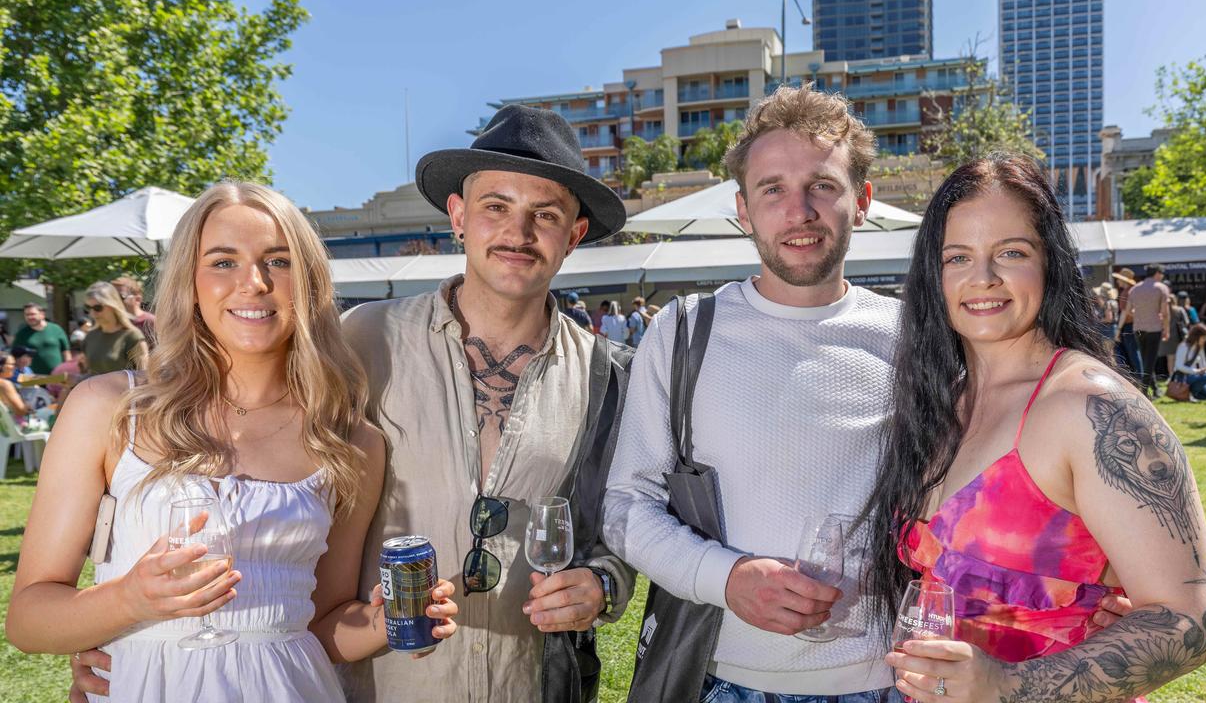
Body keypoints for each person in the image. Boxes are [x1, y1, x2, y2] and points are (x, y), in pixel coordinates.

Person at [33, 181, 459, 703]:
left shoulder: (349, 441)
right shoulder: (109, 409)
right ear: (189, 281)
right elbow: (31, 621)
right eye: (223, 262)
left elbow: (320, 626)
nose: (253, 283)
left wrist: (383, 621)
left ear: (308, 283)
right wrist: (129, 600)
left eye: (278, 262)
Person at [866, 153, 1206, 702]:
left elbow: (1190, 623)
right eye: (957, 257)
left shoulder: (1089, 407)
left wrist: (1008, 685)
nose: (982, 278)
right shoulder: (942, 404)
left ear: (1049, 263)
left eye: (1010, 252)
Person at [604, 83, 906, 702]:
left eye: (822, 184)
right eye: (773, 189)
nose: (799, 211)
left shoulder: (912, 339)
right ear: (743, 210)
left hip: (882, 683)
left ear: (863, 199)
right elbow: (625, 505)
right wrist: (728, 576)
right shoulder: (685, 331)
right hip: (720, 679)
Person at [338, 104, 636, 702]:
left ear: (574, 236)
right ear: (458, 216)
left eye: (545, 215)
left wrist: (605, 585)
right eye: (496, 206)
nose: (518, 233)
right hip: (386, 685)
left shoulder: (612, 376)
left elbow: (628, 523)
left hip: (530, 685)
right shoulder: (361, 341)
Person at [1118, 264, 1170, 398]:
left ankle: (1154, 389)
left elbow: (1128, 310)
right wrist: (1167, 328)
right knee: (1149, 361)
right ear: (1158, 273)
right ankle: (1145, 392)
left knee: (1147, 359)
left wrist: (1140, 314)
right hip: (1154, 328)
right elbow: (1165, 312)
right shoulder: (1161, 288)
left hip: (1138, 328)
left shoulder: (1135, 289)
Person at [81, 282, 149, 375]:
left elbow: (145, 376)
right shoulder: (91, 336)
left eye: (98, 308)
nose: (92, 313)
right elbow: (90, 374)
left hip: (126, 389)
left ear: (113, 306)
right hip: (94, 389)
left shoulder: (132, 336)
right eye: (88, 308)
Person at [12, 302, 71, 375]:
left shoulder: (56, 329)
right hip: (33, 378)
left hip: (57, 377)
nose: (29, 317)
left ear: (42, 314)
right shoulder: (21, 334)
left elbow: (66, 352)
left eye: (32, 314)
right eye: (27, 315)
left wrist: (68, 370)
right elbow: (14, 356)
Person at [1175, 324, 1206, 402]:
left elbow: (1203, 363)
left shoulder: (1199, 346)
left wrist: (1205, 369)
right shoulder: (1184, 346)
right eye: (1204, 337)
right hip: (1183, 377)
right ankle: (1190, 394)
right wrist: (1197, 371)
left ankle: (1192, 394)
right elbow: (1179, 366)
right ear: (1197, 336)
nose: (1205, 340)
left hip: (1196, 377)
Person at [112, 275, 158, 349]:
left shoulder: (150, 322)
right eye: (112, 297)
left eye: (120, 297)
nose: (115, 301)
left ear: (137, 299)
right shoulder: (114, 322)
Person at [1111, 269, 1141, 377]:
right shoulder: (1134, 291)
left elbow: (1124, 313)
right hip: (1136, 325)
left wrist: (1118, 331)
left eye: (1119, 279)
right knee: (1136, 353)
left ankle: (1138, 378)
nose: (1117, 282)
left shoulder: (1125, 293)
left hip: (1128, 326)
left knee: (1133, 354)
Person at [1161, 292, 1190, 380]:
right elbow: (1187, 322)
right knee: (1181, 357)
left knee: (1170, 359)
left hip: (1167, 336)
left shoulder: (1162, 311)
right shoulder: (1179, 310)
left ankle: (1171, 376)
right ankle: (1180, 376)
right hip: (1179, 336)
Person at [0, 353, 34, 420]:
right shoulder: (5, 384)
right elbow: (20, 411)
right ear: (1, 366)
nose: (15, 367)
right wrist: (29, 407)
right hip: (12, 426)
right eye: (13, 364)